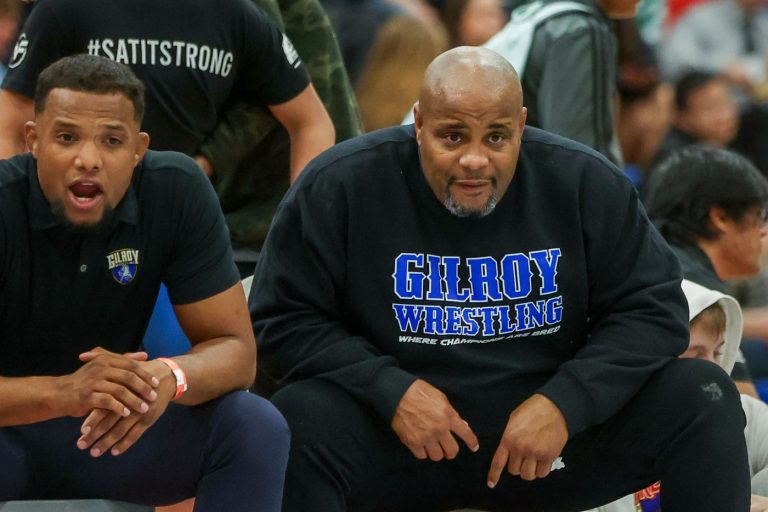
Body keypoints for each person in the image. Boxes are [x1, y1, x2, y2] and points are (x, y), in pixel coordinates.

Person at [249, 46, 750, 511]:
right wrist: (389, 389)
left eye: (496, 137)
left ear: (522, 126)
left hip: (550, 448)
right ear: (418, 124)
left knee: (701, 395)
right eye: (452, 136)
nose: (474, 159)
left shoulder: (584, 182)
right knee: (298, 418)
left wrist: (567, 402)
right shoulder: (342, 184)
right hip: (398, 442)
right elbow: (281, 318)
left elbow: (654, 310)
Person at [0, 54, 289, 510]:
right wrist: (64, 393)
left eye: (112, 140)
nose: (88, 159)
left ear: (138, 149)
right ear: (33, 140)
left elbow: (236, 353)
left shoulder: (175, 189)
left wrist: (166, 378)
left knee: (252, 425)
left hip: (117, 431)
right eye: (67, 137)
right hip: (8, 433)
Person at [0, 0, 335, 180]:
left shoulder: (235, 13)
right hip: (74, 208)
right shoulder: (68, 8)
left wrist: (301, 217)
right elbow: (11, 120)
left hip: (172, 220)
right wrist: (16, 216)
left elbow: (312, 123)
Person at [584, 279, 768, 512]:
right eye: (696, 355)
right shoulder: (595, 440)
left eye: (718, 352)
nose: (716, 371)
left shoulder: (744, 412)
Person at [644, 144, 768, 396]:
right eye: (759, 216)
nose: (763, 231)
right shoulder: (693, 289)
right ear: (720, 218)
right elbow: (747, 420)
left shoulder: (655, 263)